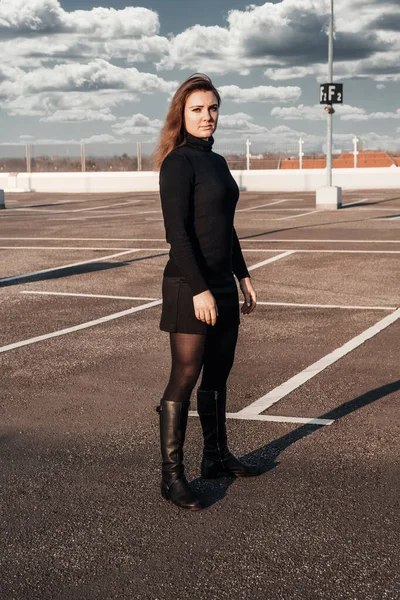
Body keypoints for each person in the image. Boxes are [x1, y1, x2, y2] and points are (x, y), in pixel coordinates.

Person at [154, 73, 261, 511]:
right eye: (198, 109)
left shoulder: (216, 162)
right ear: (182, 113)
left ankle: (215, 458)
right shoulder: (178, 162)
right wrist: (199, 290)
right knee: (186, 375)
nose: (207, 117)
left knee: (218, 374)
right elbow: (176, 233)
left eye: (213, 108)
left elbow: (225, 227)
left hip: (220, 282)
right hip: (188, 284)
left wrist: (243, 276)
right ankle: (172, 476)